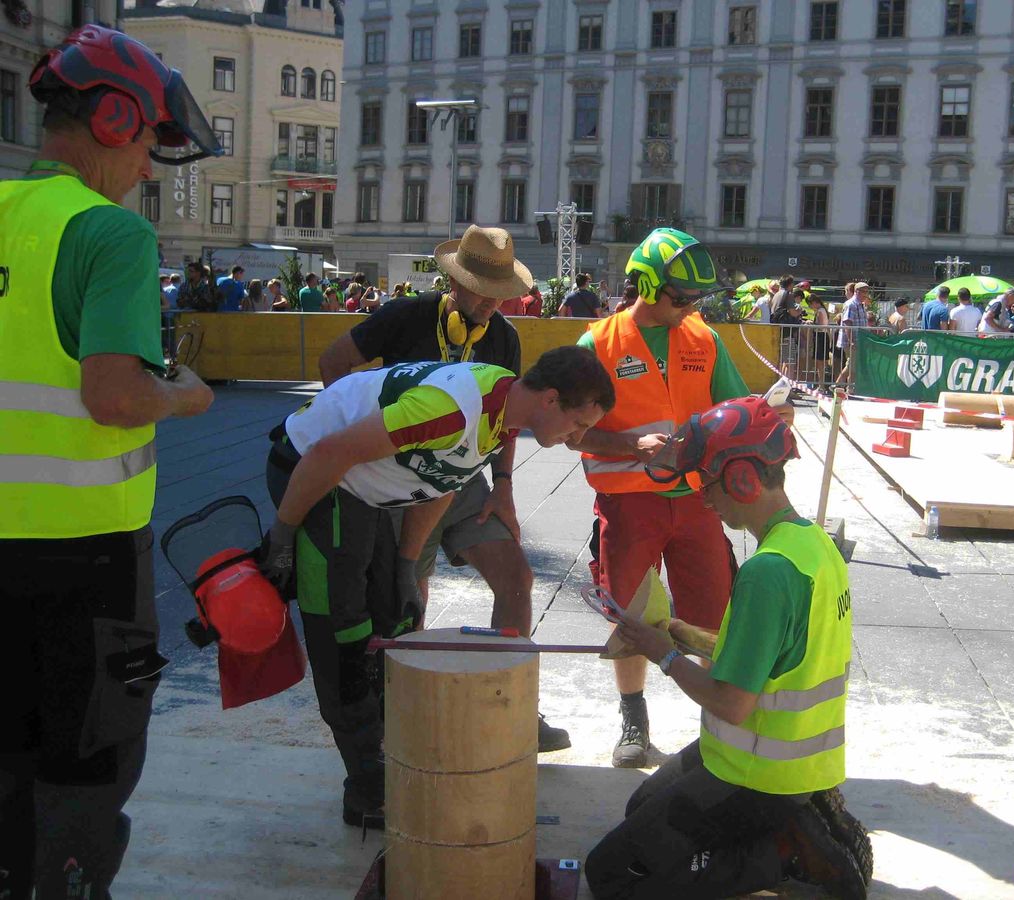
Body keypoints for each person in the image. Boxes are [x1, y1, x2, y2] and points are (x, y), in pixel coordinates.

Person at [0, 24, 219, 899]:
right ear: (116, 121)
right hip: (82, 559)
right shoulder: (108, 234)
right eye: (148, 146)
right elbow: (117, 397)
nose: (145, 170)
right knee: (85, 763)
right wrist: (187, 395)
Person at [261, 346, 614, 828]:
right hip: (312, 469)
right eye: (579, 424)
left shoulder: (505, 405)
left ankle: (386, 752)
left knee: (390, 615)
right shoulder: (451, 410)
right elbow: (328, 452)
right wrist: (282, 537)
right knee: (343, 633)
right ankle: (366, 789)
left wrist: (406, 566)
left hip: (362, 483)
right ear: (550, 399)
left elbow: (442, 480)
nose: (579, 438)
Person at [584, 397, 871, 900]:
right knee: (641, 810)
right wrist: (682, 633)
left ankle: (781, 857)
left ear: (741, 479)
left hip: (761, 772)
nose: (703, 497)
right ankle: (788, 824)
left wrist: (664, 655)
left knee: (611, 874)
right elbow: (774, 652)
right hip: (775, 758)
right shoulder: (813, 545)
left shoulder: (766, 573)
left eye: (708, 482)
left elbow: (732, 703)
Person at [316, 225, 571, 752]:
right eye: (481, 290)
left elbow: (510, 417)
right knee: (409, 594)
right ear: (453, 282)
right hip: (399, 477)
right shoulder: (405, 315)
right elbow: (333, 361)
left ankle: (510, 705)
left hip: (464, 475)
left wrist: (503, 484)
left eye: (500, 293)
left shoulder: (504, 336)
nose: (491, 303)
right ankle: (403, 713)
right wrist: (357, 445)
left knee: (516, 577)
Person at [570, 227, 749, 768]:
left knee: (715, 618)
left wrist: (764, 415)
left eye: (695, 299)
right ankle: (634, 718)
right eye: (681, 298)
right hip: (629, 504)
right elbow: (571, 432)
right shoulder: (598, 345)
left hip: (696, 502)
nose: (690, 308)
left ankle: (718, 731)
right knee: (631, 618)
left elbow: (734, 409)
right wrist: (632, 446)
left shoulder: (703, 339)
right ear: (647, 286)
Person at [835, 282, 869, 386]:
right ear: (856, 291)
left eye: (867, 292)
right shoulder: (851, 304)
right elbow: (847, 323)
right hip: (851, 341)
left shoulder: (861, 305)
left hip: (858, 340)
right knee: (852, 366)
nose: (866, 294)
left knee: (853, 366)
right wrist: (851, 341)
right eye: (863, 292)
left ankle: (848, 388)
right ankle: (838, 385)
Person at [807, 292, 832, 387]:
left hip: (821, 336)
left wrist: (811, 324)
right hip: (821, 336)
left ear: (814, 302)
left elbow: (821, 326)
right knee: (819, 362)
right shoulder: (821, 310)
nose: (810, 307)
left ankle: (821, 385)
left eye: (810, 304)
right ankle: (821, 384)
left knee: (820, 363)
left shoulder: (820, 311)